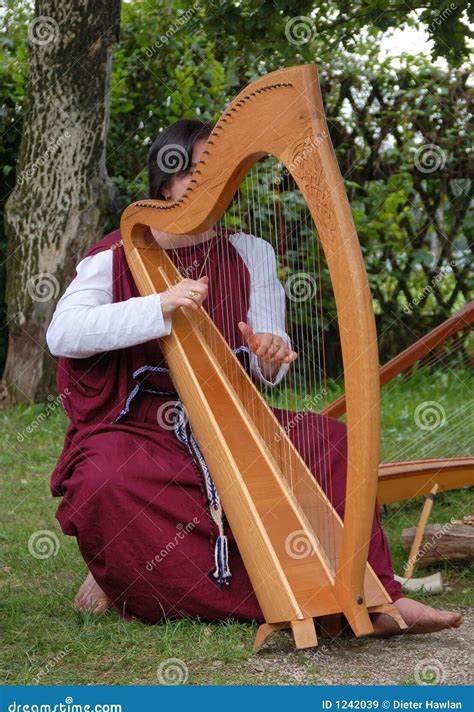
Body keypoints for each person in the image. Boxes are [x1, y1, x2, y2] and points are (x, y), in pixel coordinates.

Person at [46, 119, 461, 637]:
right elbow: (63, 334)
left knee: (333, 443)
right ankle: (134, 575)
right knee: (106, 480)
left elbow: (266, 351)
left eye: (215, 176)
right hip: (134, 422)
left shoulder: (250, 253)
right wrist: (159, 305)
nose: (204, 187)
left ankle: (375, 592)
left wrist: (270, 352)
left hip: (228, 413)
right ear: (164, 183)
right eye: (191, 173)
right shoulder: (116, 254)